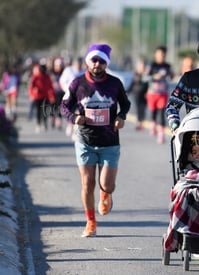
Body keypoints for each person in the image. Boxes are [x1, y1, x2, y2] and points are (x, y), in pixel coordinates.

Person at [60, 43, 131, 237]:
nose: (97, 64)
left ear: (106, 63)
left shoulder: (115, 83)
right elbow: (64, 106)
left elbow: (125, 104)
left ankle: (105, 193)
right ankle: (90, 221)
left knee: (107, 185)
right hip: (85, 141)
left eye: (101, 61)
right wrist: (75, 118)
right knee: (87, 184)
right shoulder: (77, 84)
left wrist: (121, 117)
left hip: (109, 141)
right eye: (94, 60)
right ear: (88, 61)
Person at [145, 46, 174, 143]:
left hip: (163, 93)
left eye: (163, 54)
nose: (161, 56)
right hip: (152, 93)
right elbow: (145, 78)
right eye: (159, 54)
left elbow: (171, 76)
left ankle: (161, 135)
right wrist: (154, 77)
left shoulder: (167, 66)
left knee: (162, 113)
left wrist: (171, 74)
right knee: (153, 111)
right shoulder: (152, 65)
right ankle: (153, 124)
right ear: (155, 55)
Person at [59, 57, 85, 138]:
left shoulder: (84, 71)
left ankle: (75, 131)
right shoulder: (68, 70)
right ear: (74, 64)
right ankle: (70, 125)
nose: (79, 66)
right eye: (77, 64)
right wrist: (68, 89)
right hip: (70, 95)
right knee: (71, 112)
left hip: (81, 97)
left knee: (78, 112)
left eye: (80, 64)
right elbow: (62, 81)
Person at [28, 63, 56, 133]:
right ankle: (38, 124)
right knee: (38, 111)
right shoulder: (35, 77)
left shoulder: (47, 77)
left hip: (45, 97)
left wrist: (52, 96)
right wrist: (32, 94)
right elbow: (31, 87)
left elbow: (51, 87)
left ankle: (45, 124)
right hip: (37, 97)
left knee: (44, 111)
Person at [128, 59, 148, 131]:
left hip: (144, 94)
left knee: (143, 108)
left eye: (143, 66)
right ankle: (139, 123)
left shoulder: (146, 75)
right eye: (140, 66)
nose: (141, 67)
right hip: (136, 94)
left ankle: (141, 123)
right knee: (138, 108)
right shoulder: (136, 74)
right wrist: (127, 92)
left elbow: (149, 85)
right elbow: (132, 84)